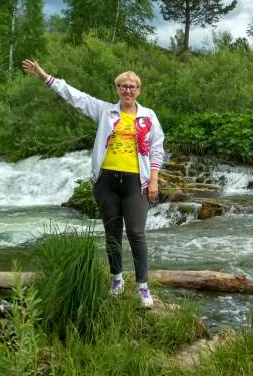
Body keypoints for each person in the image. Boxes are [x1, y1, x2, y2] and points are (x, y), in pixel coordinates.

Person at [22, 59, 164, 307]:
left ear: (139, 90)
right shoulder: (104, 111)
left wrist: (154, 181)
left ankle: (143, 286)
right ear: (117, 89)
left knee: (136, 232)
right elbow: (75, 96)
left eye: (132, 86)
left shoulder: (148, 116)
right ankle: (117, 279)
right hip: (106, 181)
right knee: (112, 233)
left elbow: (156, 149)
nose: (127, 90)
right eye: (123, 86)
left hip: (136, 183)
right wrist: (45, 76)